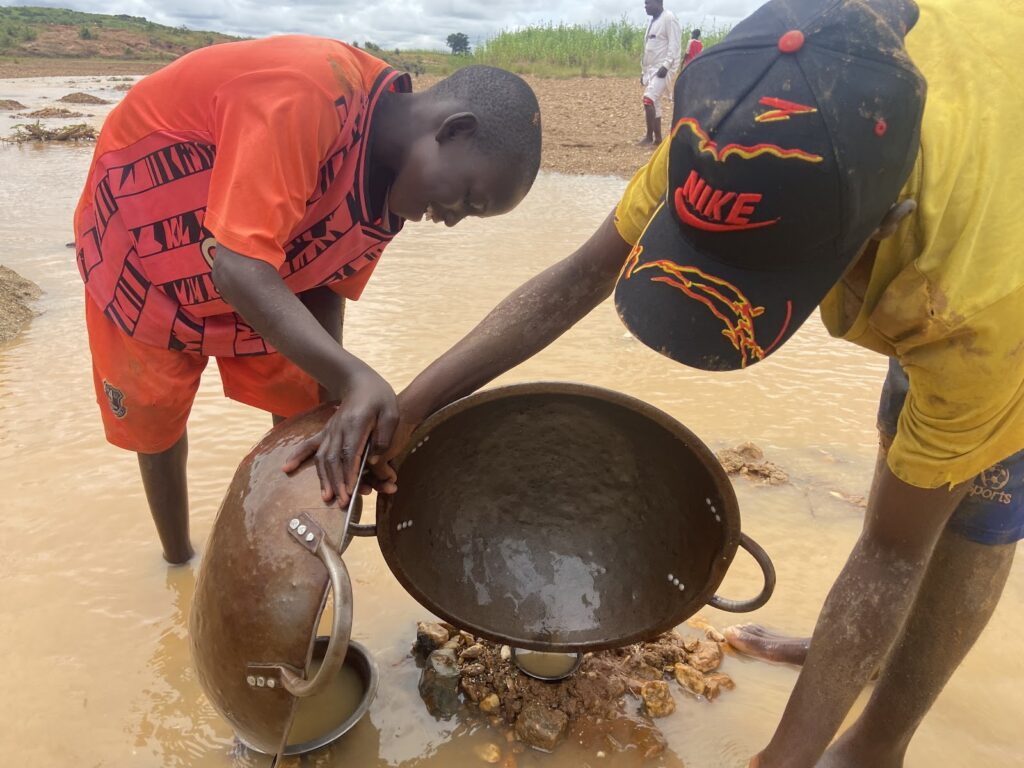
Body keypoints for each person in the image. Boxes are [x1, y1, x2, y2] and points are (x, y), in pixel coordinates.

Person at [356, 0, 1022, 765]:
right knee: (907, 462)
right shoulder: (734, 128)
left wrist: (787, 755)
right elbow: (579, 277)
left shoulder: (974, 300)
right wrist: (413, 407)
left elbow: (895, 553)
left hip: (1001, 268)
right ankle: (851, 650)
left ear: (883, 225)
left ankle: (877, 742)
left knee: (972, 501)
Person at [74, 35, 542, 564]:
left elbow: (324, 282)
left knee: (299, 408)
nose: (452, 218)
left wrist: (337, 414)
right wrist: (355, 377)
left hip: (261, 272)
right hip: (146, 250)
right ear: (454, 130)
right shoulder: (306, 93)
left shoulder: (396, 192)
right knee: (155, 420)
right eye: (468, 199)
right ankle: (178, 559)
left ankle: (283, 556)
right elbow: (236, 266)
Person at [638, 0, 681, 146]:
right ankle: (658, 139)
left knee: (648, 99)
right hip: (651, 69)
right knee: (654, 102)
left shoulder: (669, 18)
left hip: (663, 68)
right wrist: (643, 71)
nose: (645, 6)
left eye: (648, 3)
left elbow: (675, 45)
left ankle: (649, 136)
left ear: (658, 3)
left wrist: (667, 65)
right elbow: (649, 48)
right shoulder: (652, 21)